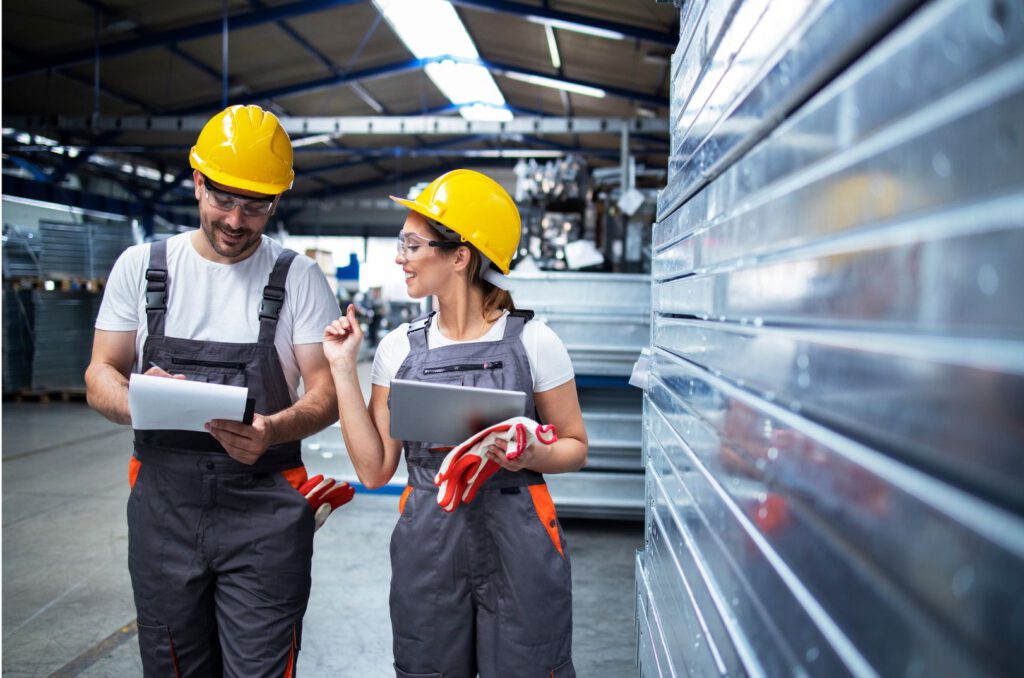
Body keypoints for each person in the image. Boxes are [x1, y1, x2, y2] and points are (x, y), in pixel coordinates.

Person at [85, 104, 342, 677]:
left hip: (265, 512)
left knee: (260, 668)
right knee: (173, 664)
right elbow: (100, 371)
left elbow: (324, 391)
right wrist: (139, 401)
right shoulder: (144, 267)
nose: (235, 219)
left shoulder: (297, 277)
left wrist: (272, 430)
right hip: (163, 510)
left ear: (277, 201)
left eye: (256, 206)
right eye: (224, 199)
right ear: (197, 181)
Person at [323, 169, 588, 677]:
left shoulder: (535, 342)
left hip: (520, 536)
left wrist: (534, 454)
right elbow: (376, 470)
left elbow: (576, 445)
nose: (400, 256)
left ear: (459, 256)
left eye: (412, 243)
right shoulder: (399, 347)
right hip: (429, 540)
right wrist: (341, 367)